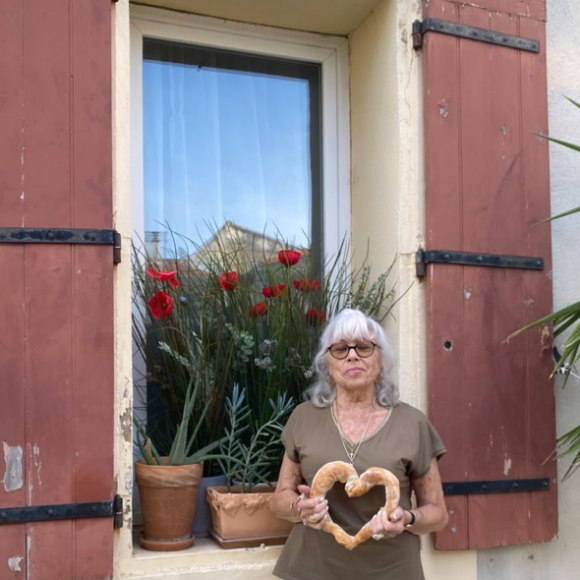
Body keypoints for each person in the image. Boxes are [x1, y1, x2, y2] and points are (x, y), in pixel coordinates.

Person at [270, 308, 448, 580]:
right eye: (340, 348)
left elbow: (438, 513)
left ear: (381, 361)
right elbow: (279, 499)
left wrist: (407, 519)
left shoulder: (413, 423)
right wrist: (299, 508)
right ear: (327, 364)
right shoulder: (303, 418)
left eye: (364, 347)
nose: (352, 354)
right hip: (312, 569)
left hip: (392, 571)